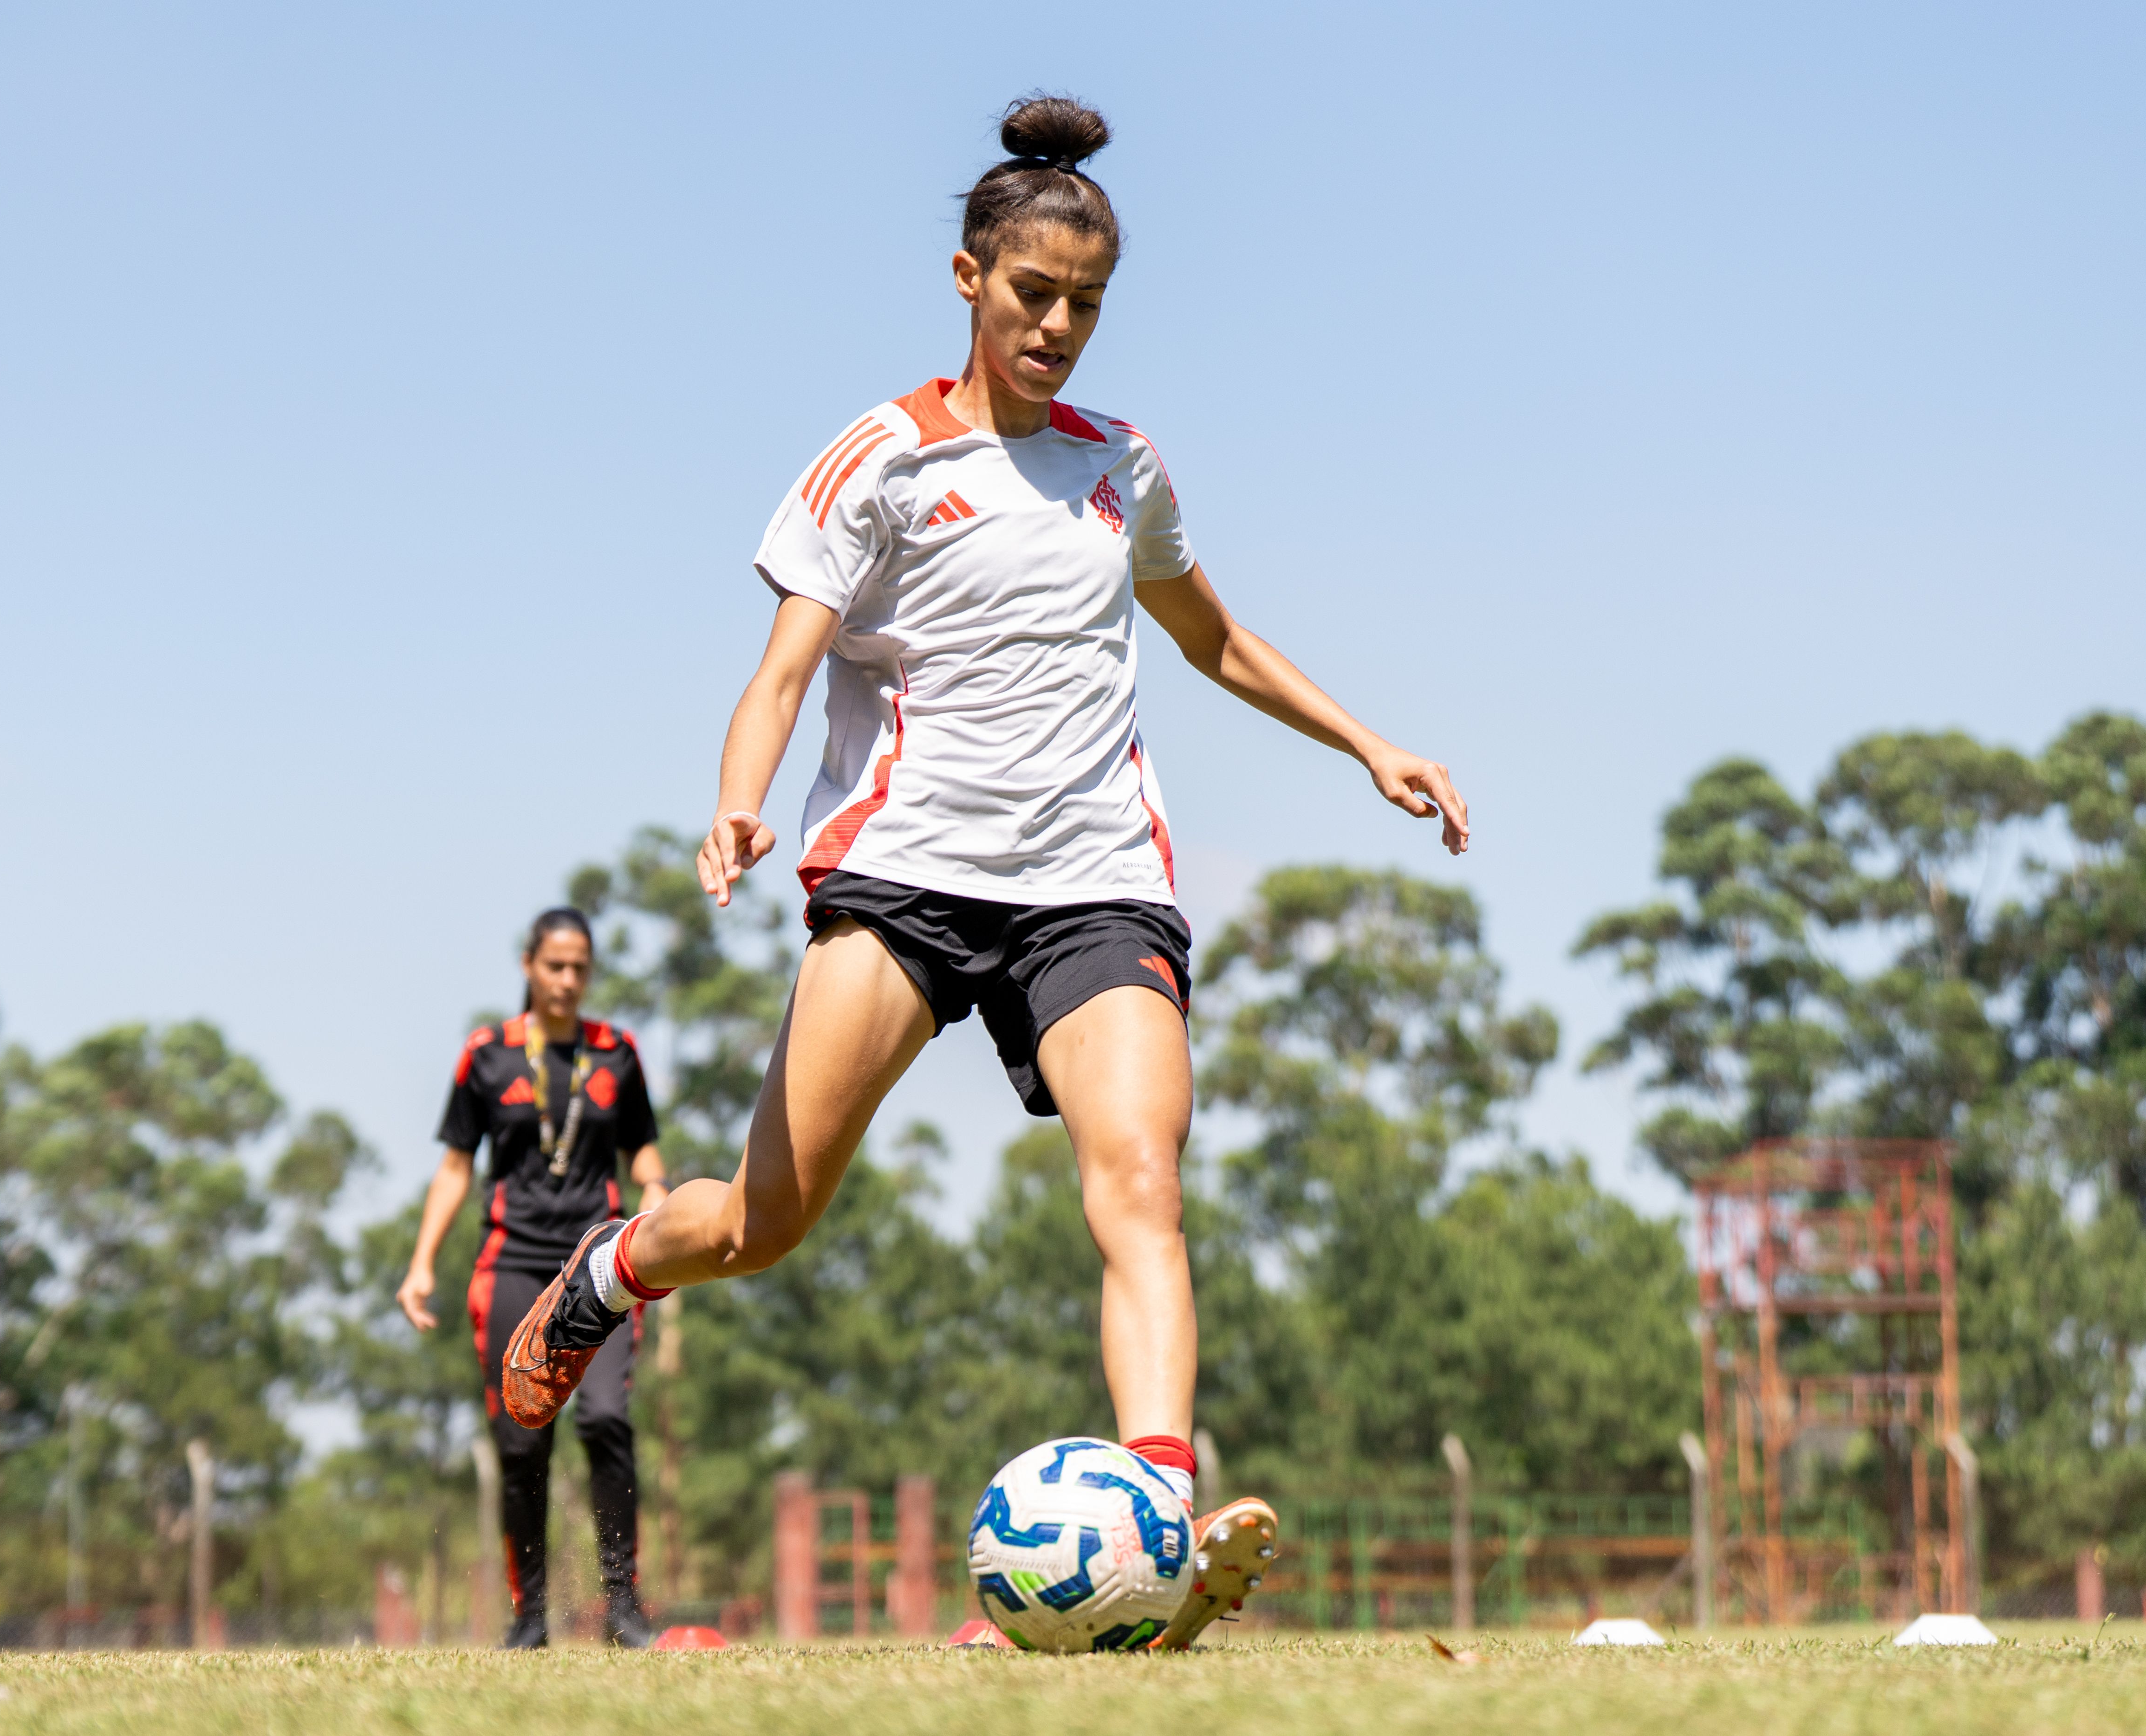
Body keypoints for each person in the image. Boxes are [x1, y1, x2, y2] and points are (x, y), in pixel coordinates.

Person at [500, 95, 1470, 1651]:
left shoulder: (1121, 465)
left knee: (1140, 1177)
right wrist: (739, 805)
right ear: (968, 278)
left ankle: (1155, 1528)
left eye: (1086, 303)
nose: (1058, 328)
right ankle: (615, 1269)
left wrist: (1368, 742)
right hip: (905, 878)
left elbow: (1214, 639)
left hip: (1094, 882)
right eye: (1033, 294)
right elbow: (779, 672)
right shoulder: (881, 461)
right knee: (763, 1220)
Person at [398, 907, 666, 1650]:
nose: (568, 980)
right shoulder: (486, 1055)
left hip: (599, 1262)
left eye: (580, 967)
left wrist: (657, 1192)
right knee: (522, 1438)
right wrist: (421, 1263)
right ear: (528, 966)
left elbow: (643, 1150)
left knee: (605, 1418)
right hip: (511, 1261)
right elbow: (456, 1167)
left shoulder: (616, 1053)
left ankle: (623, 1607)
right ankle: (530, 1616)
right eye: (555, 966)